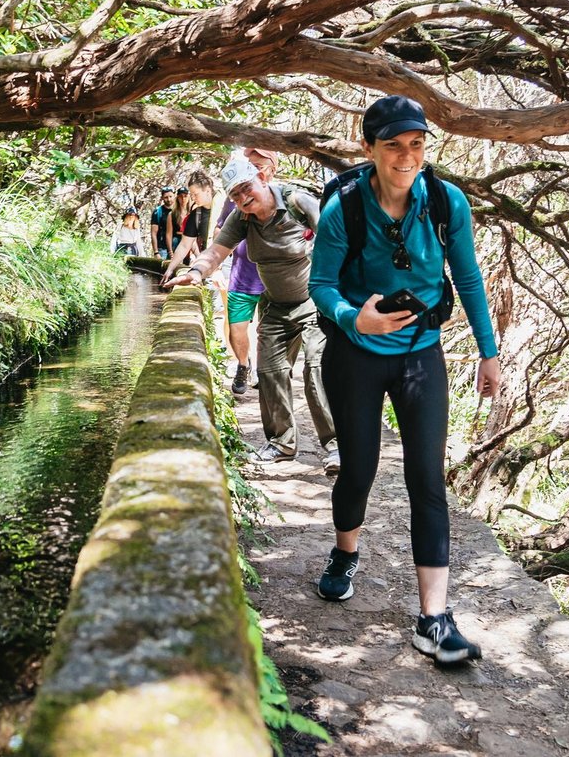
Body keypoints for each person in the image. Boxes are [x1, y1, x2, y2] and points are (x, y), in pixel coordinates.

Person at [308, 94, 500, 666]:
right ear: (368, 148)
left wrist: (489, 353)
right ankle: (345, 554)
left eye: (416, 144)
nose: (406, 156)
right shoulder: (344, 206)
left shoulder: (445, 202)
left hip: (421, 354)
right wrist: (352, 316)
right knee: (359, 469)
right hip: (354, 353)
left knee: (426, 478)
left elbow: (467, 278)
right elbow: (320, 283)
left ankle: (434, 620)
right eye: (393, 145)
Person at [164, 154, 339, 475]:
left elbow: (335, 238)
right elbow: (217, 251)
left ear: (261, 179)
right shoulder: (241, 218)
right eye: (234, 194)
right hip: (274, 305)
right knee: (270, 372)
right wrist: (197, 272)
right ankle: (281, 442)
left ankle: (336, 444)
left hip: (315, 301)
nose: (243, 198)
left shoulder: (297, 201)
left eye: (246, 188)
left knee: (316, 369)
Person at [218, 148, 276, 396]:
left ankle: (268, 370)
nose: (255, 167)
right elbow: (220, 234)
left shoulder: (288, 197)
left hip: (273, 278)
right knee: (237, 326)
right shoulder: (235, 196)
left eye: (260, 164)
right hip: (242, 274)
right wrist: (215, 267)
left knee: (269, 329)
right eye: (251, 163)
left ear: (271, 169)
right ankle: (243, 365)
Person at [161, 171, 215, 283]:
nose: (193, 198)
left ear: (208, 191)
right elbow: (185, 245)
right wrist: (170, 269)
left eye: (196, 194)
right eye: (191, 195)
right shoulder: (196, 215)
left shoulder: (225, 208)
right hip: (209, 266)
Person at [150, 187, 176, 259]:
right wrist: (156, 252)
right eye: (166, 197)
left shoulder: (178, 211)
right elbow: (153, 233)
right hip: (162, 249)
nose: (169, 199)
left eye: (170, 196)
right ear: (162, 198)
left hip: (176, 247)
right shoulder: (158, 212)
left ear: (174, 196)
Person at [167, 188, 191, 261]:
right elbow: (169, 234)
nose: (183, 199)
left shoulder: (192, 213)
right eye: (180, 196)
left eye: (185, 196)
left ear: (188, 197)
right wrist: (170, 251)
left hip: (189, 241)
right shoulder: (172, 214)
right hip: (176, 241)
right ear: (177, 198)